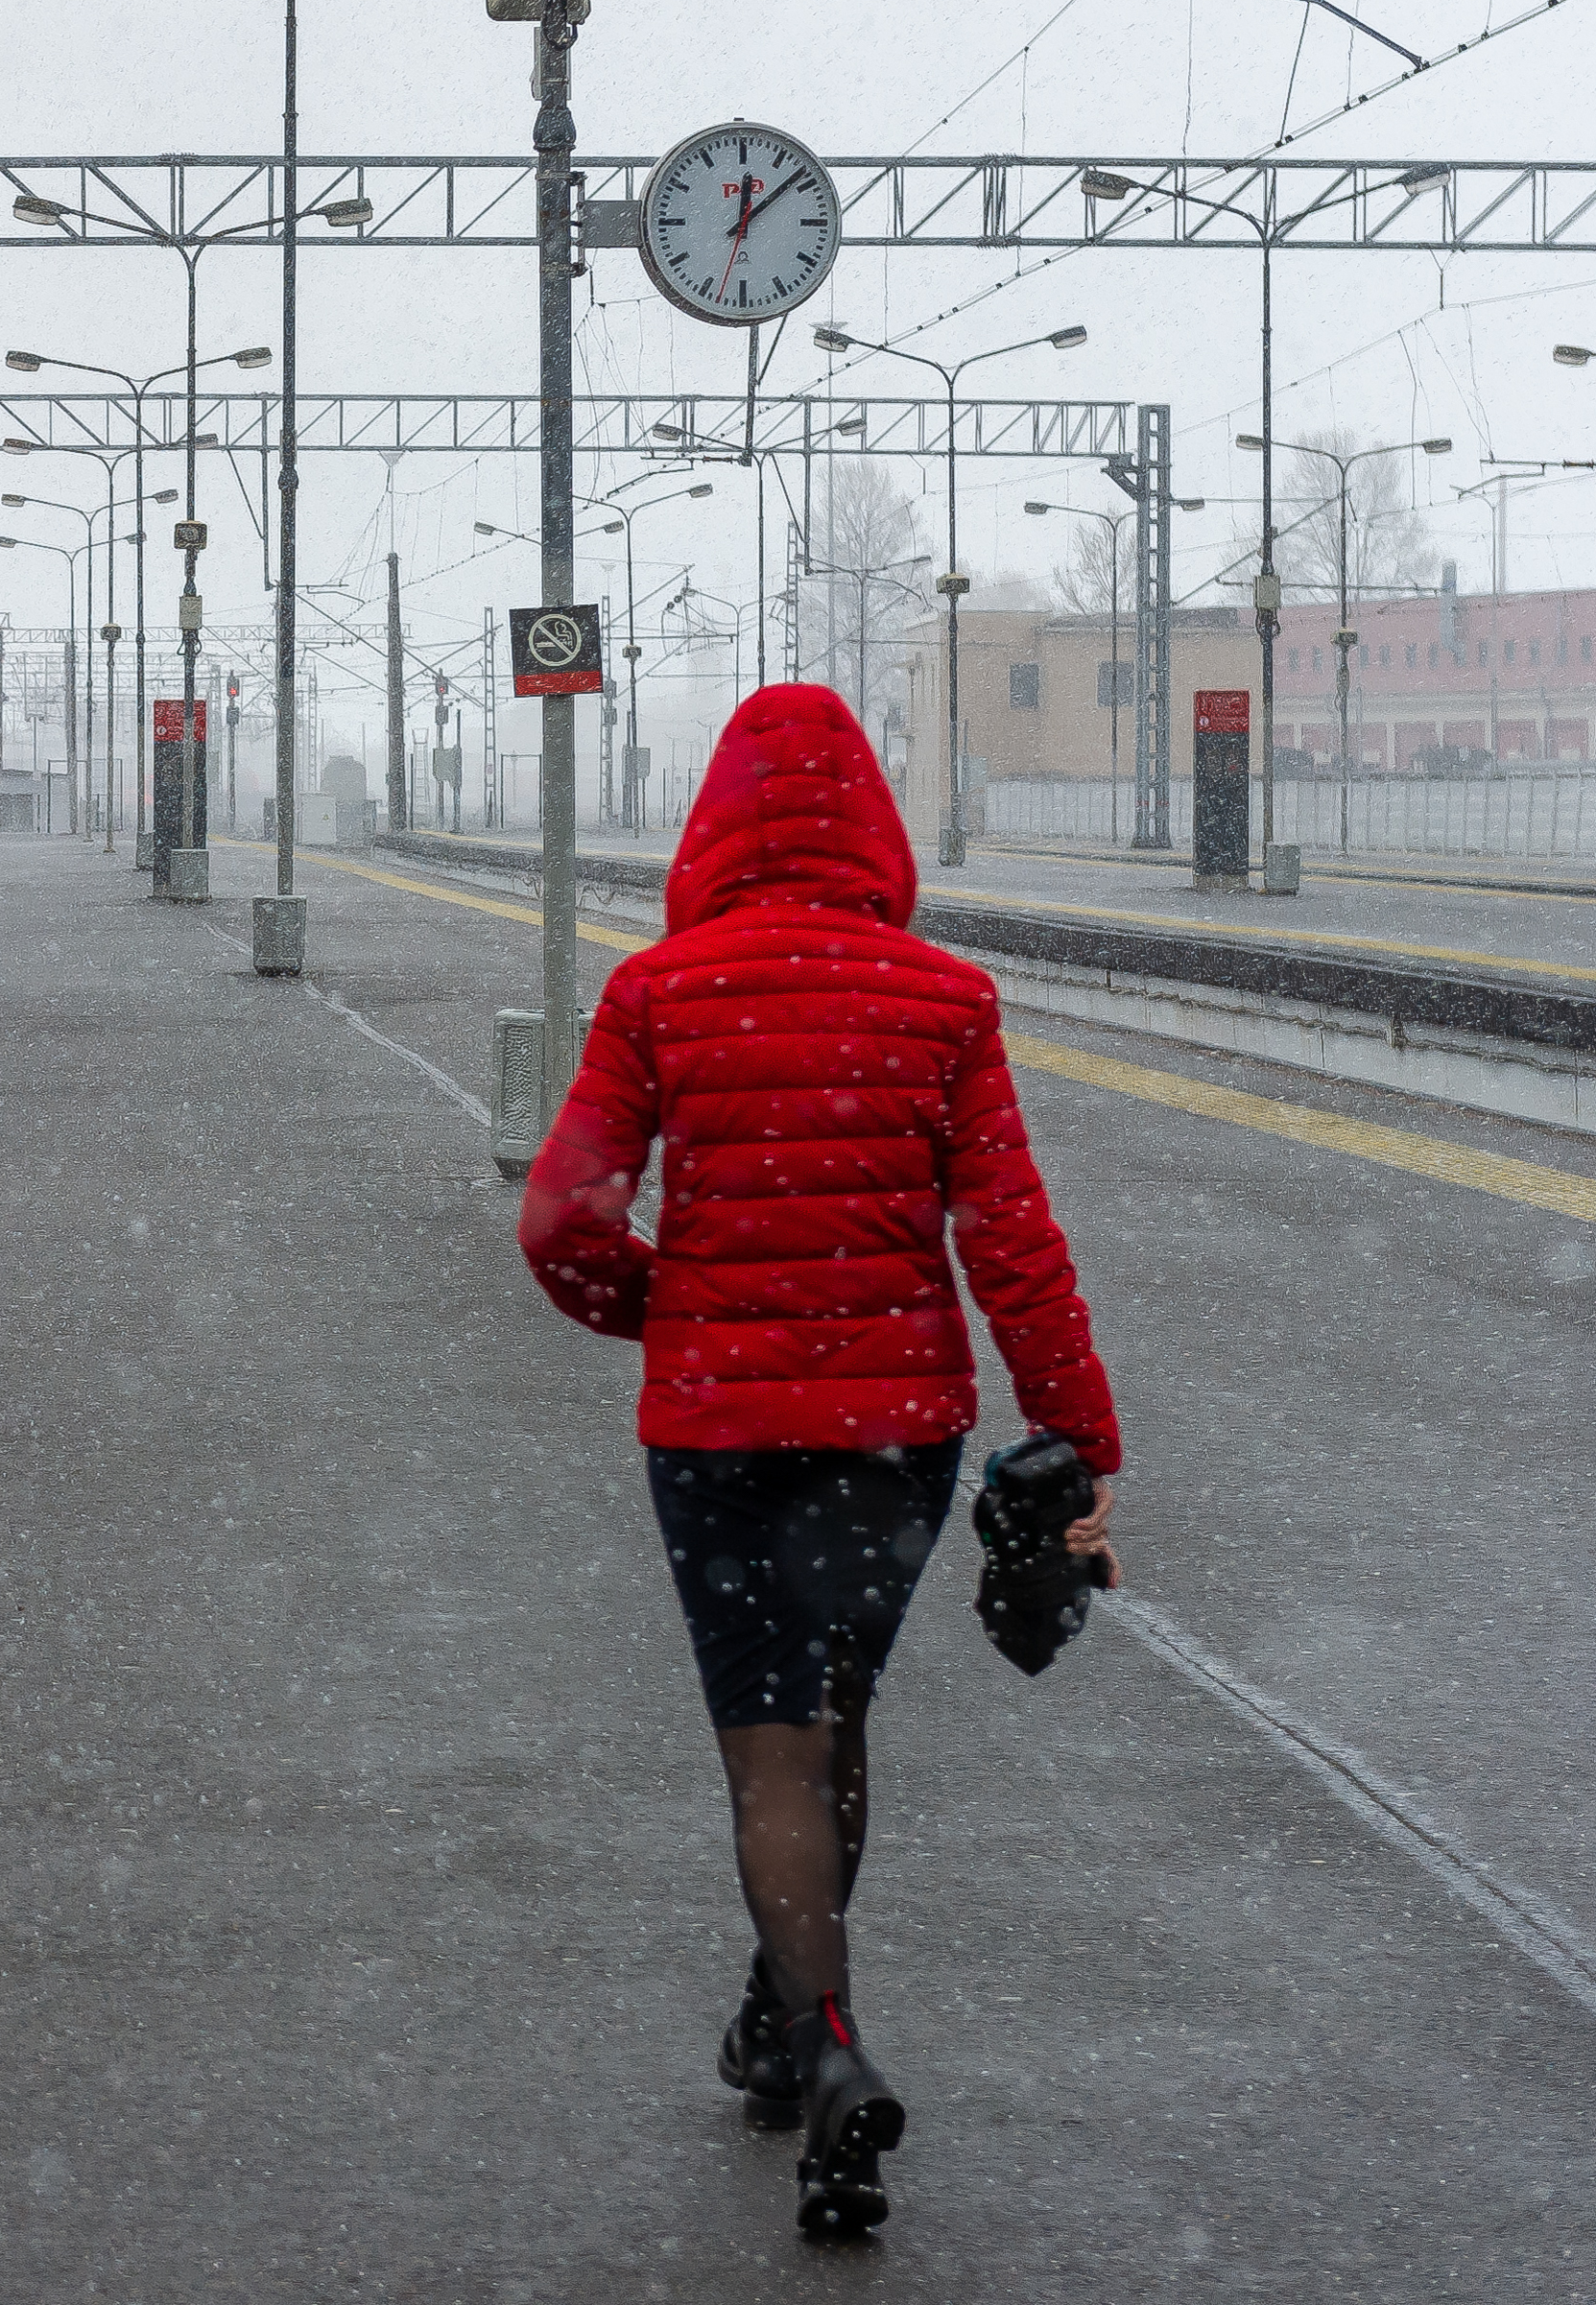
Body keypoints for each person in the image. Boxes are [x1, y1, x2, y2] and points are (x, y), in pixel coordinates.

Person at [514, 681, 1123, 2238]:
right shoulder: (945, 999)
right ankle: (794, 2016)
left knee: (767, 1744)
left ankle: (823, 2036)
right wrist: (1080, 1435)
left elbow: (563, 1216)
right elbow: (1015, 1246)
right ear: (875, 822)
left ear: (714, 821)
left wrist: (671, 1310)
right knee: (836, 1715)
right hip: (893, 1433)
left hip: (716, 1430)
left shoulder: (660, 992)